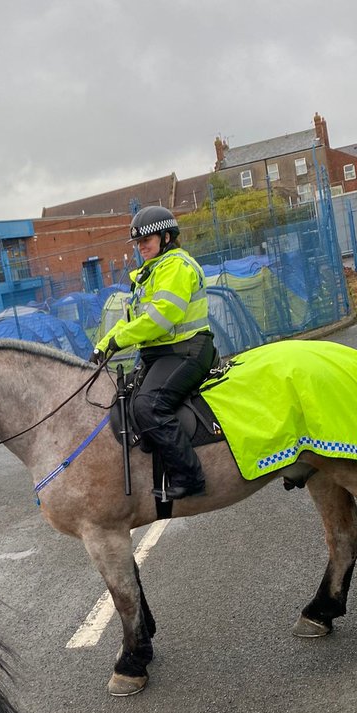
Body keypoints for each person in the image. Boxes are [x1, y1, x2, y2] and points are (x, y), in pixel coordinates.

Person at [92, 205, 215, 500]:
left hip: (187, 352)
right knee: (125, 399)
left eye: (148, 239)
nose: (141, 246)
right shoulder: (151, 273)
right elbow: (132, 320)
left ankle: (191, 475)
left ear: (167, 237)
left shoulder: (176, 267)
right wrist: (102, 345)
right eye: (138, 242)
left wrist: (118, 342)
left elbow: (161, 317)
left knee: (149, 405)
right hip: (162, 355)